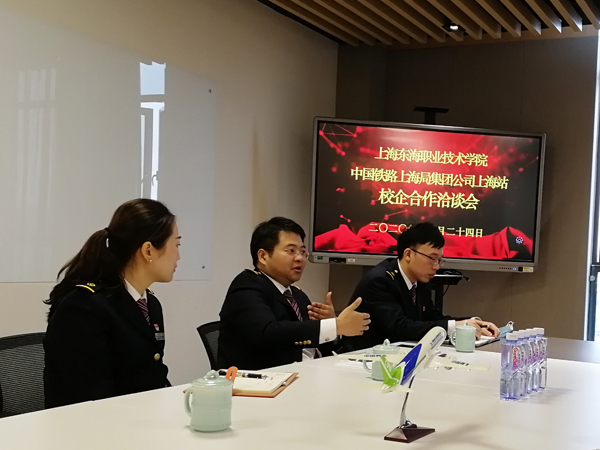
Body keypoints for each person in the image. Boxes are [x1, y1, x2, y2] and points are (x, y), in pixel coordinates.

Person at [43, 199, 180, 408]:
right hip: (94, 424)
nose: (179, 256)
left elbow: (152, 376)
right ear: (148, 251)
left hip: (138, 419)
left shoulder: (150, 304)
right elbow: (87, 399)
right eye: (176, 245)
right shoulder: (84, 308)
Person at [217, 217, 371, 370]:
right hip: (260, 380)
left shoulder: (297, 295)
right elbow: (268, 334)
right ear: (263, 256)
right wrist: (334, 326)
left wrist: (333, 328)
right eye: (291, 251)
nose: (300, 258)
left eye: (303, 252)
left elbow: (312, 345)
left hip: (309, 373)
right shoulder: (246, 286)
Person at [342, 222, 499, 352]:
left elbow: (433, 318)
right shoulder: (380, 281)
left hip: (399, 355)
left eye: (440, 261)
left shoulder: (420, 280)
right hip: (363, 359)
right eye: (432, 258)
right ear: (408, 254)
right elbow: (400, 329)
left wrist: (471, 323)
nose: (436, 267)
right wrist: (456, 326)